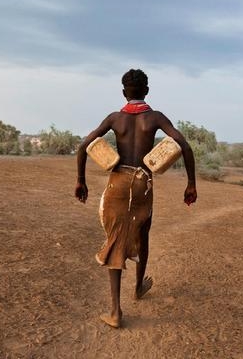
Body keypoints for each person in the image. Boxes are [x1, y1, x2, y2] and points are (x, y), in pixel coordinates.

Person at [75, 69, 198, 328]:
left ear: (123, 92)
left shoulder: (115, 119)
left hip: (118, 183)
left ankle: (115, 312)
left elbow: (83, 146)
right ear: (147, 91)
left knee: (115, 239)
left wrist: (81, 181)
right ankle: (139, 286)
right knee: (143, 234)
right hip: (143, 184)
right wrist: (190, 184)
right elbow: (184, 146)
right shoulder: (155, 118)